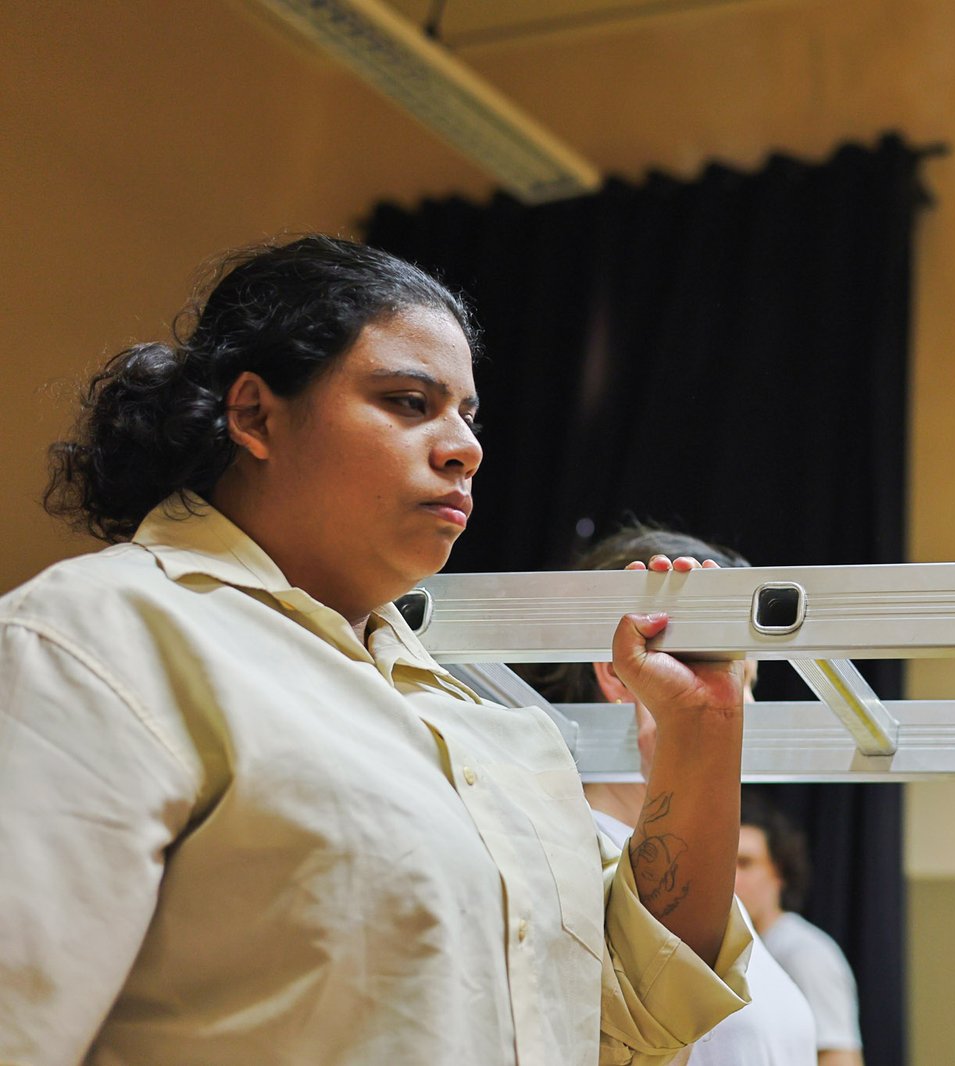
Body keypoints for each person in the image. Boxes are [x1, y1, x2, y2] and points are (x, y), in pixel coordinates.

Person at [0, 236, 751, 1065]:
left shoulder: (492, 732)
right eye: (407, 402)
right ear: (254, 414)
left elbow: (637, 1024)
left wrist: (698, 733)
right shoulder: (103, 634)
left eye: (468, 414)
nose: (464, 446)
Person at [523, 522, 819, 1066]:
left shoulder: (711, 887)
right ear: (621, 676)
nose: (746, 710)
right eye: (737, 679)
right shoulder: (566, 863)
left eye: (747, 684)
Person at [738, 790, 866, 1066]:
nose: (731, 878)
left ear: (778, 872)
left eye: (745, 863)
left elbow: (839, 1058)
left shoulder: (804, 953)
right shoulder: (738, 952)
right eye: (725, 864)